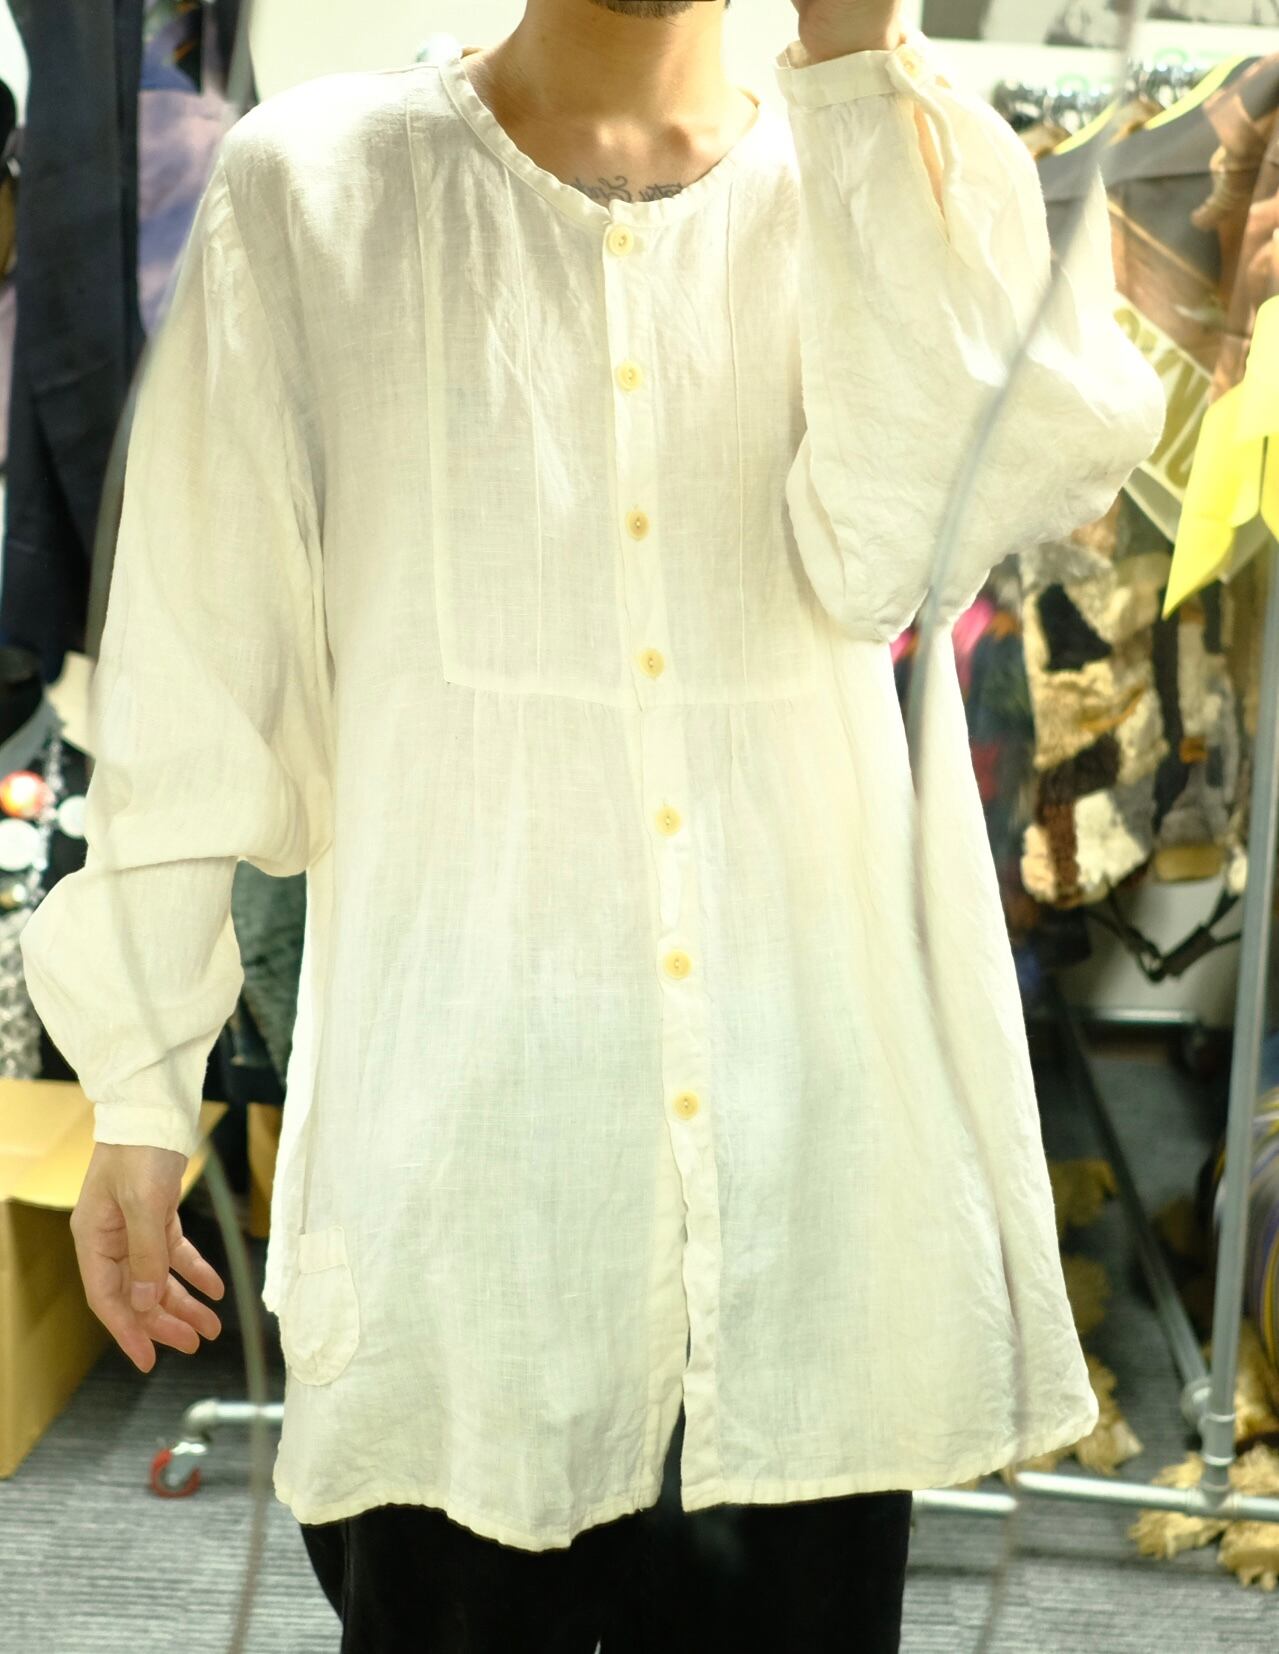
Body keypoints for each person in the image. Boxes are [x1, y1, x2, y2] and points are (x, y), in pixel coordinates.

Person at [20, 1, 1168, 1649]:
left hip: (807, 1176)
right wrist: (141, 1082)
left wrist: (858, 75)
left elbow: (888, 559)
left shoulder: (894, 182)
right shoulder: (313, 191)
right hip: (468, 1191)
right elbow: (199, 650)